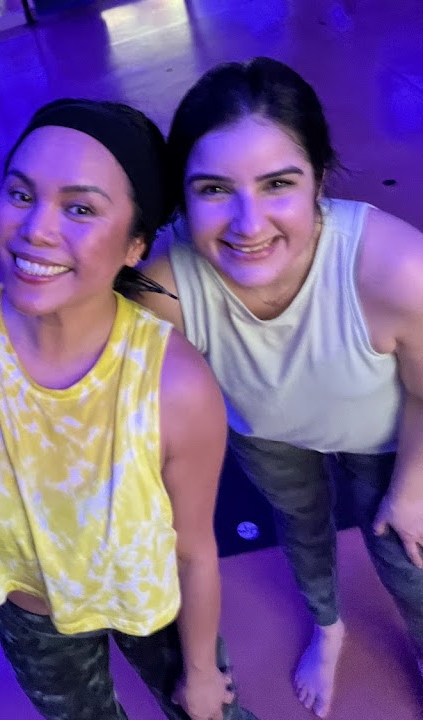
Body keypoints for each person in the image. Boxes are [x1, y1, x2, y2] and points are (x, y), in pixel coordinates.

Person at [0, 98, 260, 720]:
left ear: (135, 244)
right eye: (20, 195)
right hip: (32, 620)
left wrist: (201, 672)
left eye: (81, 208)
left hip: (152, 603)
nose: (36, 229)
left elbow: (194, 550)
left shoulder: (174, 386)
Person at [140, 58, 423, 718]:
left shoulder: (396, 268)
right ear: (183, 197)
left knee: (408, 558)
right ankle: (329, 630)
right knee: (301, 528)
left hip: (389, 437)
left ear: (319, 179)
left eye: (278, 184)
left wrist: (412, 488)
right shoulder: (164, 285)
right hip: (266, 432)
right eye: (214, 189)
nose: (248, 224)